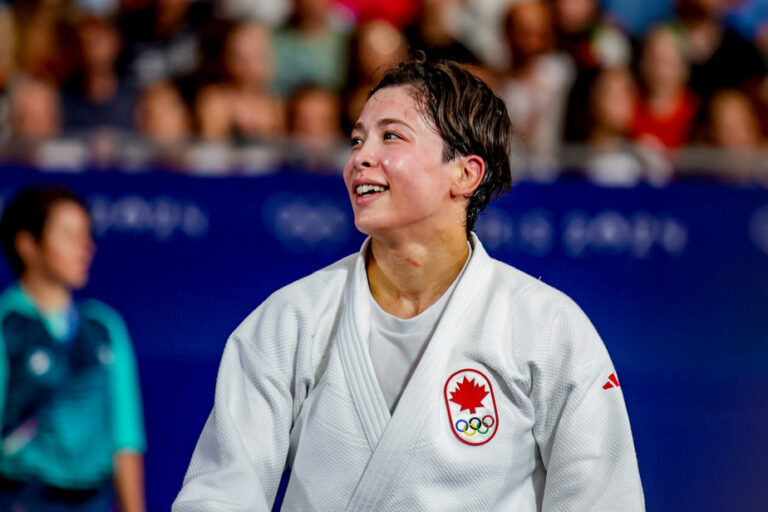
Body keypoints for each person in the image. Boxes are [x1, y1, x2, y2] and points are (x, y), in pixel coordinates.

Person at [173, 57, 645, 511]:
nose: (360, 158)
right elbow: (219, 497)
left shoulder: (547, 327)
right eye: (357, 140)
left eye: (391, 137)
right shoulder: (289, 321)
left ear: (465, 172)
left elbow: (602, 501)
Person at [0, 186, 146, 512]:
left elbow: (125, 439)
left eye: (86, 235)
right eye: (69, 234)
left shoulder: (104, 327)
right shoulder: (6, 324)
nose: (86, 247)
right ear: (28, 244)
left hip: (94, 501)